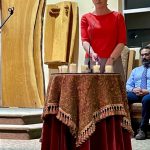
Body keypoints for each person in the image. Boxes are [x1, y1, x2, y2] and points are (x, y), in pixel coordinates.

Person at [80, 0, 126, 79]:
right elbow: (85, 41)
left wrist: (111, 60)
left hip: (113, 60)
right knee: (90, 90)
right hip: (92, 60)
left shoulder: (118, 16)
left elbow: (122, 42)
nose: (98, 0)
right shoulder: (85, 18)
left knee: (114, 90)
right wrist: (92, 53)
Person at [126, 45, 150, 140]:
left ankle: (143, 129)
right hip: (136, 92)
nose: (144, 57)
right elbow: (128, 85)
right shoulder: (135, 70)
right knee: (124, 98)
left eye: (147, 54)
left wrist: (147, 91)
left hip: (148, 93)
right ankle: (127, 127)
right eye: (142, 55)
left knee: (147, 100)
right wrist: (133, 89)